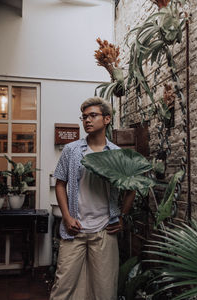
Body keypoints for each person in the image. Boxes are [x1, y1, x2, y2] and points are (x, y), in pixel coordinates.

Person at [50, 97, 135, 300]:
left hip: (105, 230)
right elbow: (60, 183)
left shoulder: (116, 154)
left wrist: (122, 215)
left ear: (106, 119)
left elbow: (132, 187)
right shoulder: (72, 150)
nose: (87, 120)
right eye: (84, 117)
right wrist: (67, 217)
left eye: (93, 115)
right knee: (63, 288)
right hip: (74, 231)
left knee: (104, 290)